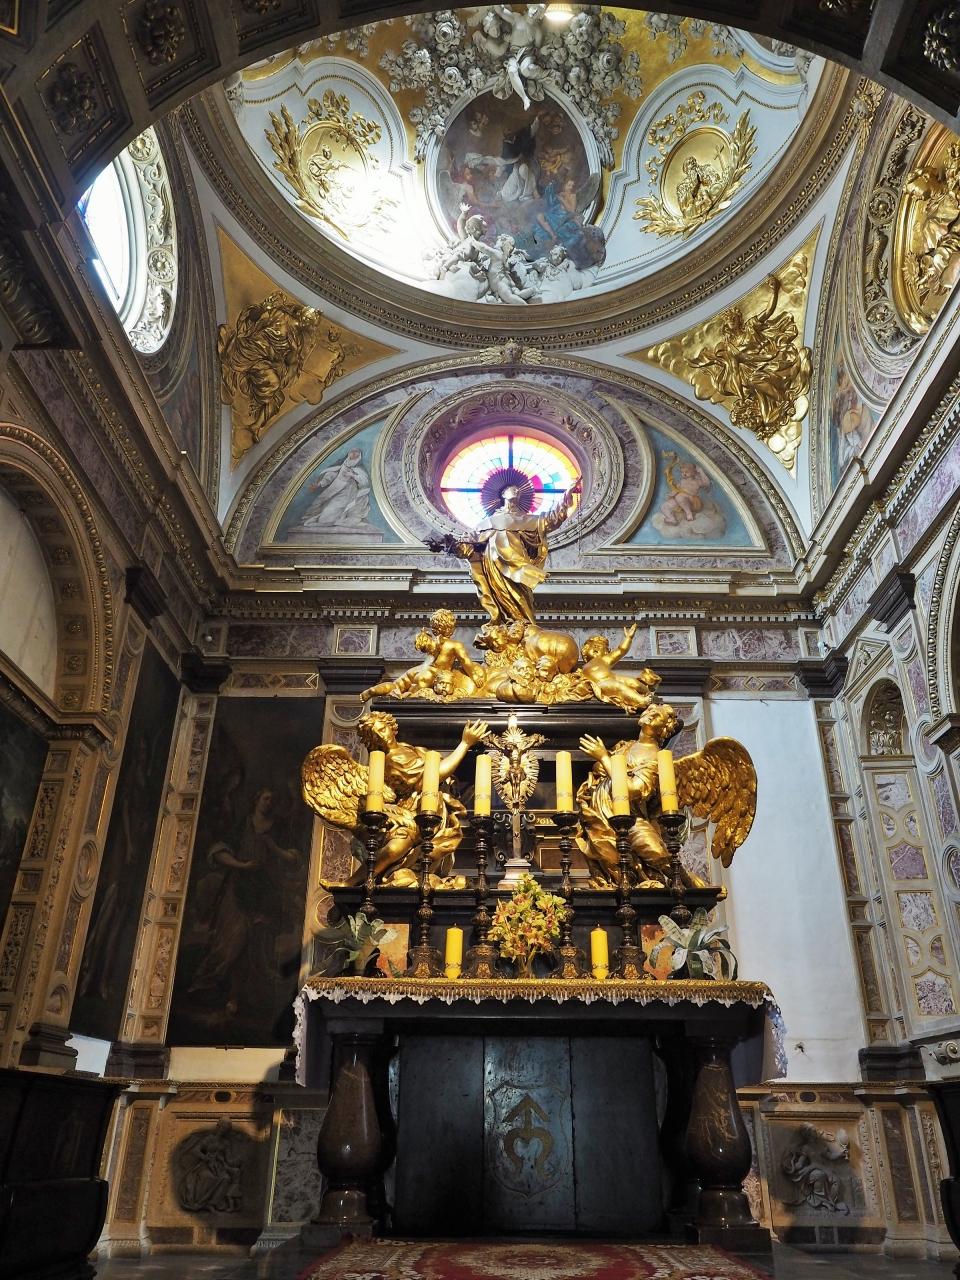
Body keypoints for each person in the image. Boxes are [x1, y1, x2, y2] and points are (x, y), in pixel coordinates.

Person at [430, 482, 578, 624]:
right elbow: (467, 546)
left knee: (521, 599)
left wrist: (566, 496)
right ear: (503, 494)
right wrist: (450, 545)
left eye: (518, 490)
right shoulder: (487, 523)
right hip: (493, 568)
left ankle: (524, 626)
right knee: (501, 599)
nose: (517, 490)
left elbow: (552, 519)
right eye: (512, 488)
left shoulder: (527, 520)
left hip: (518, 566)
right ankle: (510, 627)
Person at [576, 623, 661, 714]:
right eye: (593, 646)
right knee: (618, 686)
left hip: (613, 678)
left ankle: (649, 694)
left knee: (633, 682)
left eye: (600, 647)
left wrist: (628, 638)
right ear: (585, 651)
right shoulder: (583, 668)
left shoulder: (605, 659)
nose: (596, 647)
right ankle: (642, 701)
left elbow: (621, 650)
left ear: (606, 652)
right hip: (601, 684)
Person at [293, 447, 371, 532]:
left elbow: (365, 482)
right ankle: (311, 518)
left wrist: (353, 475)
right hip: (335, 489)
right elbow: (331, 475)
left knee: (328, 514)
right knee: (320, 503)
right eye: (352, 452)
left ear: (359, 456)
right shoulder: (343, 465)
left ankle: (337, 519)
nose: (354, 454)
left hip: (347, 495)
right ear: (349, 453)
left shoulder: (359, 469)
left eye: (357, 453)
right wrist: (319, 484)